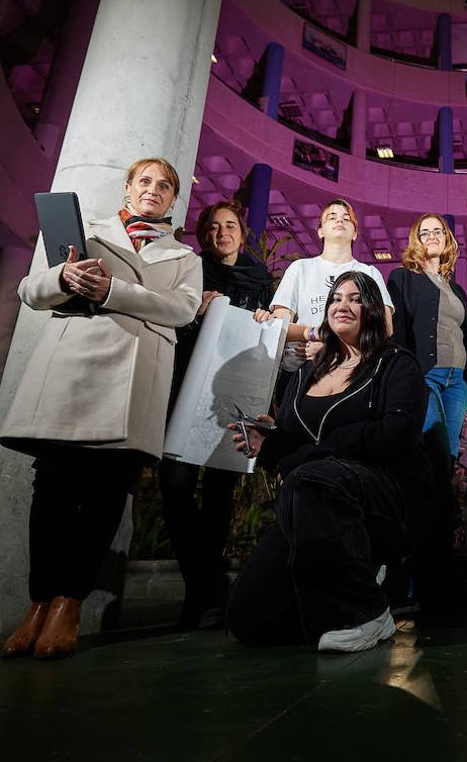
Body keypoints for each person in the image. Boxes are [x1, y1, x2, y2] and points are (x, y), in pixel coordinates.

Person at [0, 157, 202, 658]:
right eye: (146, 181)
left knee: (108, 494)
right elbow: (29, 290)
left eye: (165, 186)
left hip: (135, 376)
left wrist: (113, 289)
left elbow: (181, 309)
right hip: (74, 369)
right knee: (53, 491)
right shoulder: (86, 231)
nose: (154, 190)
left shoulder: (185, 256)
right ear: (129, 188)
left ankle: (70, 603)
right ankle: (39, 602)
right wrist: (65, 278)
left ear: (174, 199)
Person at [226, 272, 442, 652]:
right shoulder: (311, 369)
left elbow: (395, 437)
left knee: (311, 479)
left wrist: (311, 454)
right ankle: (352, 578)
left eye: (356, 298)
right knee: (249, 619)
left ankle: (365, 612)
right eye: (336, 299)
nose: (343, 305)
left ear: (373, 309)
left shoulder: (395, 364)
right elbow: (296, 440)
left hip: (383, 494)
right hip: (312, 498)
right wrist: (270, 443)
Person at [157, 199, 274, 629]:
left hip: (233, 394)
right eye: (213, 227)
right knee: (175, 484)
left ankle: (200, 595)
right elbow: (170, 325)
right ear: (203, 235)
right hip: (183, 385)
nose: (222, 233)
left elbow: (268, 334)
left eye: (230, 226)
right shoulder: (189, 271)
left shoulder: (261, 278)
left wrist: (265, 317)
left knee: (220, 493)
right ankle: (204, 582)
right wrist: (194, 312)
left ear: (242, 234)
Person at [261, 198, 393, 366]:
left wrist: (334, 345)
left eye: (346, 218)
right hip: (303, 368)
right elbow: (279, 324)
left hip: (352, 369)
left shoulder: (370, 273)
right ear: (320, 231)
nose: (339, 220)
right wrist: (314, 333)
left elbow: (385, 328)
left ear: (355, 233)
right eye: (332, 217)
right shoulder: (300, 268)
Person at [388, 214, 467, 460]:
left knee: (450, 452)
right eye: (425, 232)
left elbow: (465, 334)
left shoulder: (457, 290)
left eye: (438, 231)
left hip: (457, 380)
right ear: (416, 240)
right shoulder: (402, 277)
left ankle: (443, 498)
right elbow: (398, 332)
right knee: (431, 446)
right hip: (425, 375)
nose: (432, 236)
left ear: (447, 240)